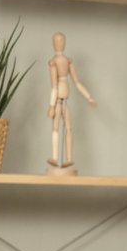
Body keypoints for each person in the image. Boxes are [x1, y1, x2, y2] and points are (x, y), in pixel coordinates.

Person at [47, 32, 97, 169]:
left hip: (58, 99)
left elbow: (54, 86)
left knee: (57, 128)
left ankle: (58, 158)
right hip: (63, 99)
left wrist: (51, 106)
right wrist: (89, 97)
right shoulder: (68, 61)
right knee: (68, 128)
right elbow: (77, 83)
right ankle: (66, 158)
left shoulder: (55, 62)